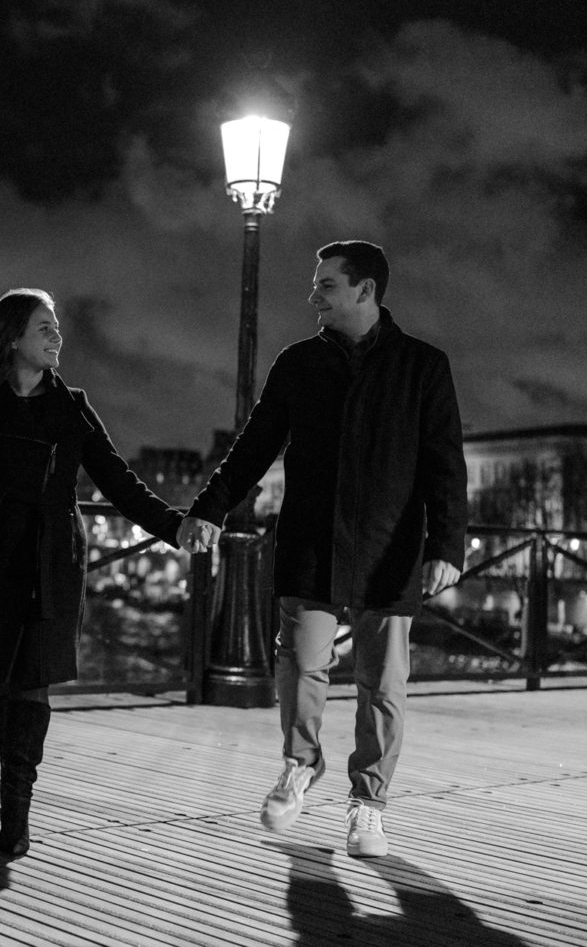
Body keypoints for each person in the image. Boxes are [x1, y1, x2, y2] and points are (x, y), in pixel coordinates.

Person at [180, 241, 466, 858]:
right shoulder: (297, 363)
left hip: (389, 548)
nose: (314, 295)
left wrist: (446, 544)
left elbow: (445, 466)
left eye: (327, 285)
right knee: (300, 665)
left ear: (365, 291)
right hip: (311, 543)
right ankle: (301, 765)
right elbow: (252, 448)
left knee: (382, 685)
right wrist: (208, 506)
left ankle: (368, 805)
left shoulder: (424, 367)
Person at [0, 288, 186, 858]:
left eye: (58, 327)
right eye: (44, 327)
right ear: (12, 337)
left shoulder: (73, 407)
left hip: (51, 560)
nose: (57, 336)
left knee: (32, 681)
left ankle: (16, 812)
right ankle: (11, 768)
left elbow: (118, 482)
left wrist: (176, 527)